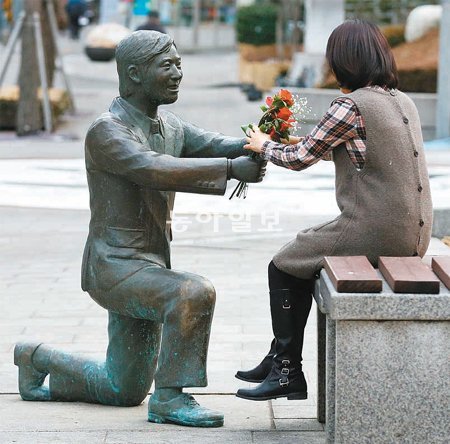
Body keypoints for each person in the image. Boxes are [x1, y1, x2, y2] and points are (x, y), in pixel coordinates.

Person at [14, 31, 265, 428]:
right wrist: (233, 170)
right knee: (192, 293)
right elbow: (152, 169)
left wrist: (260, 143)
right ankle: (169, 399)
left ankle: (35, 356)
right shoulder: (108, 130)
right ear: (134, 74)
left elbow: (216, 143)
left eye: (179, 64)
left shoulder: (170, 126)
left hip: (149, 264)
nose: (178, 73)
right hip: (114, 266)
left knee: (122, 389)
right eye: (167, 65)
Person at [235, 19, 432, 401]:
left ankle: (288, 371)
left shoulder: (350, 104)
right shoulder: (400, 100)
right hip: (415, 233)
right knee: (304, 252)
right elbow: (341, 147)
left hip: (377, 229)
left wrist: (263, 145)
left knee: (285, 262)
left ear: (343, 62)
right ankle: (279, 356)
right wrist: (290, 138)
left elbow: (300, 159)